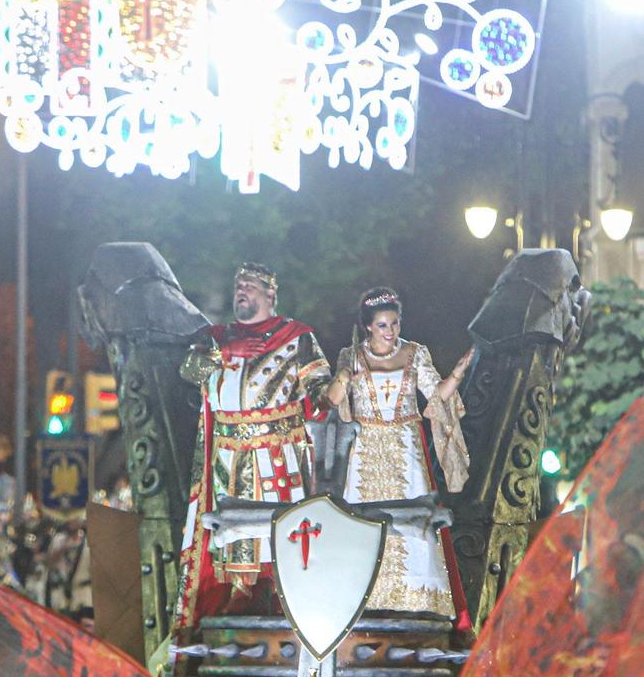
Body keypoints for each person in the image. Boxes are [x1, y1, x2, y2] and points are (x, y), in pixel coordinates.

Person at [176, 263, 332, 626]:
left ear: (270, 294)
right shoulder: (217, 336)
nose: (241, 292)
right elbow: (188, 371)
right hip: (228, 454)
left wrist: (332, 393)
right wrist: (224, 354)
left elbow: (318, 389)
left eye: (249, 286)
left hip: (279, 451)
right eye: (237, 287)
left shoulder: (297, 336)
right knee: (233, 528)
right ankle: (237, 594)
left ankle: (283, 594)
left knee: (282, 527)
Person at [323, 288, 473, 618]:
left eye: (394, 323)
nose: (390, 331)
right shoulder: (351, 356)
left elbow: (437, 399)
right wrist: (344, 375)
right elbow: (331, 401)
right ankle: (362, 597)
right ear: (368, 327)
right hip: (365, 451)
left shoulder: (416, 353)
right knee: (362, 518)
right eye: (382, 325)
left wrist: (459, 371)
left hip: (406, 448)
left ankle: (417, 601)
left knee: (413, 520)